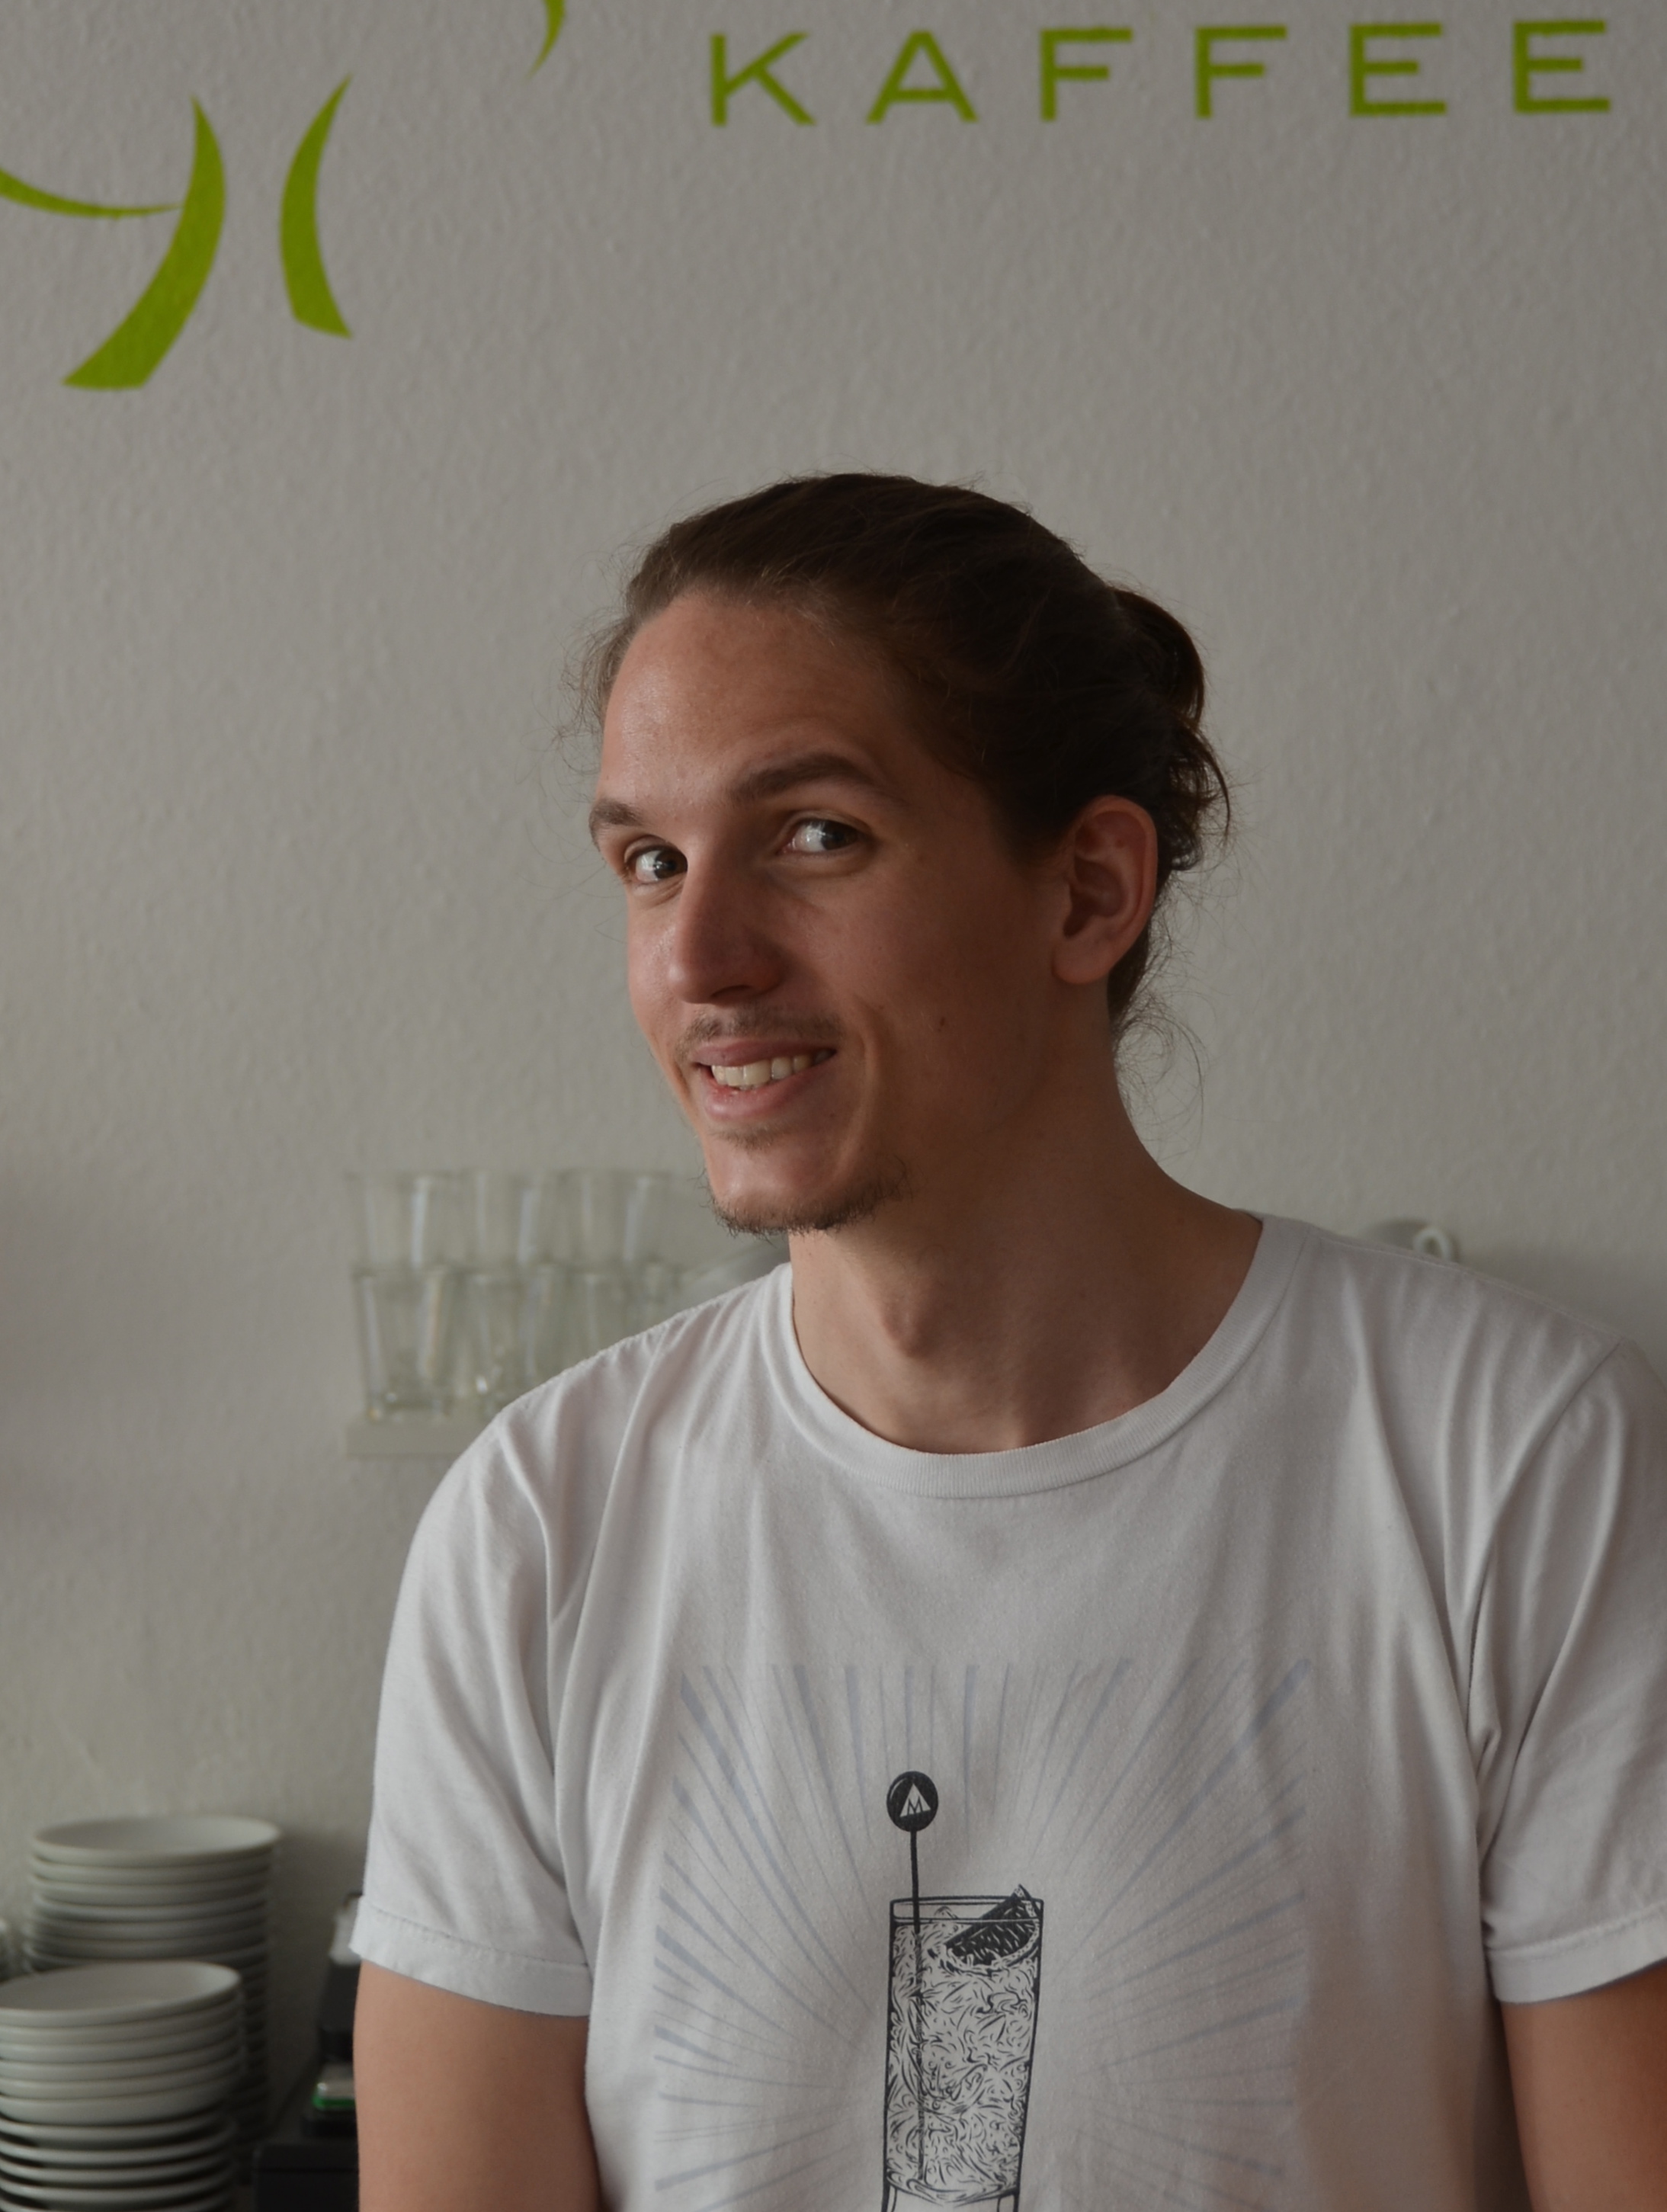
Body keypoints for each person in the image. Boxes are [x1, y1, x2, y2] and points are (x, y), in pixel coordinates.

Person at [352, 474, 1667, 2212]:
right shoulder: (537, 1525)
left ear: (1089, 890)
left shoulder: (1514, 1457)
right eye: (649, 862)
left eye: (815, 834)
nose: (699, 956)